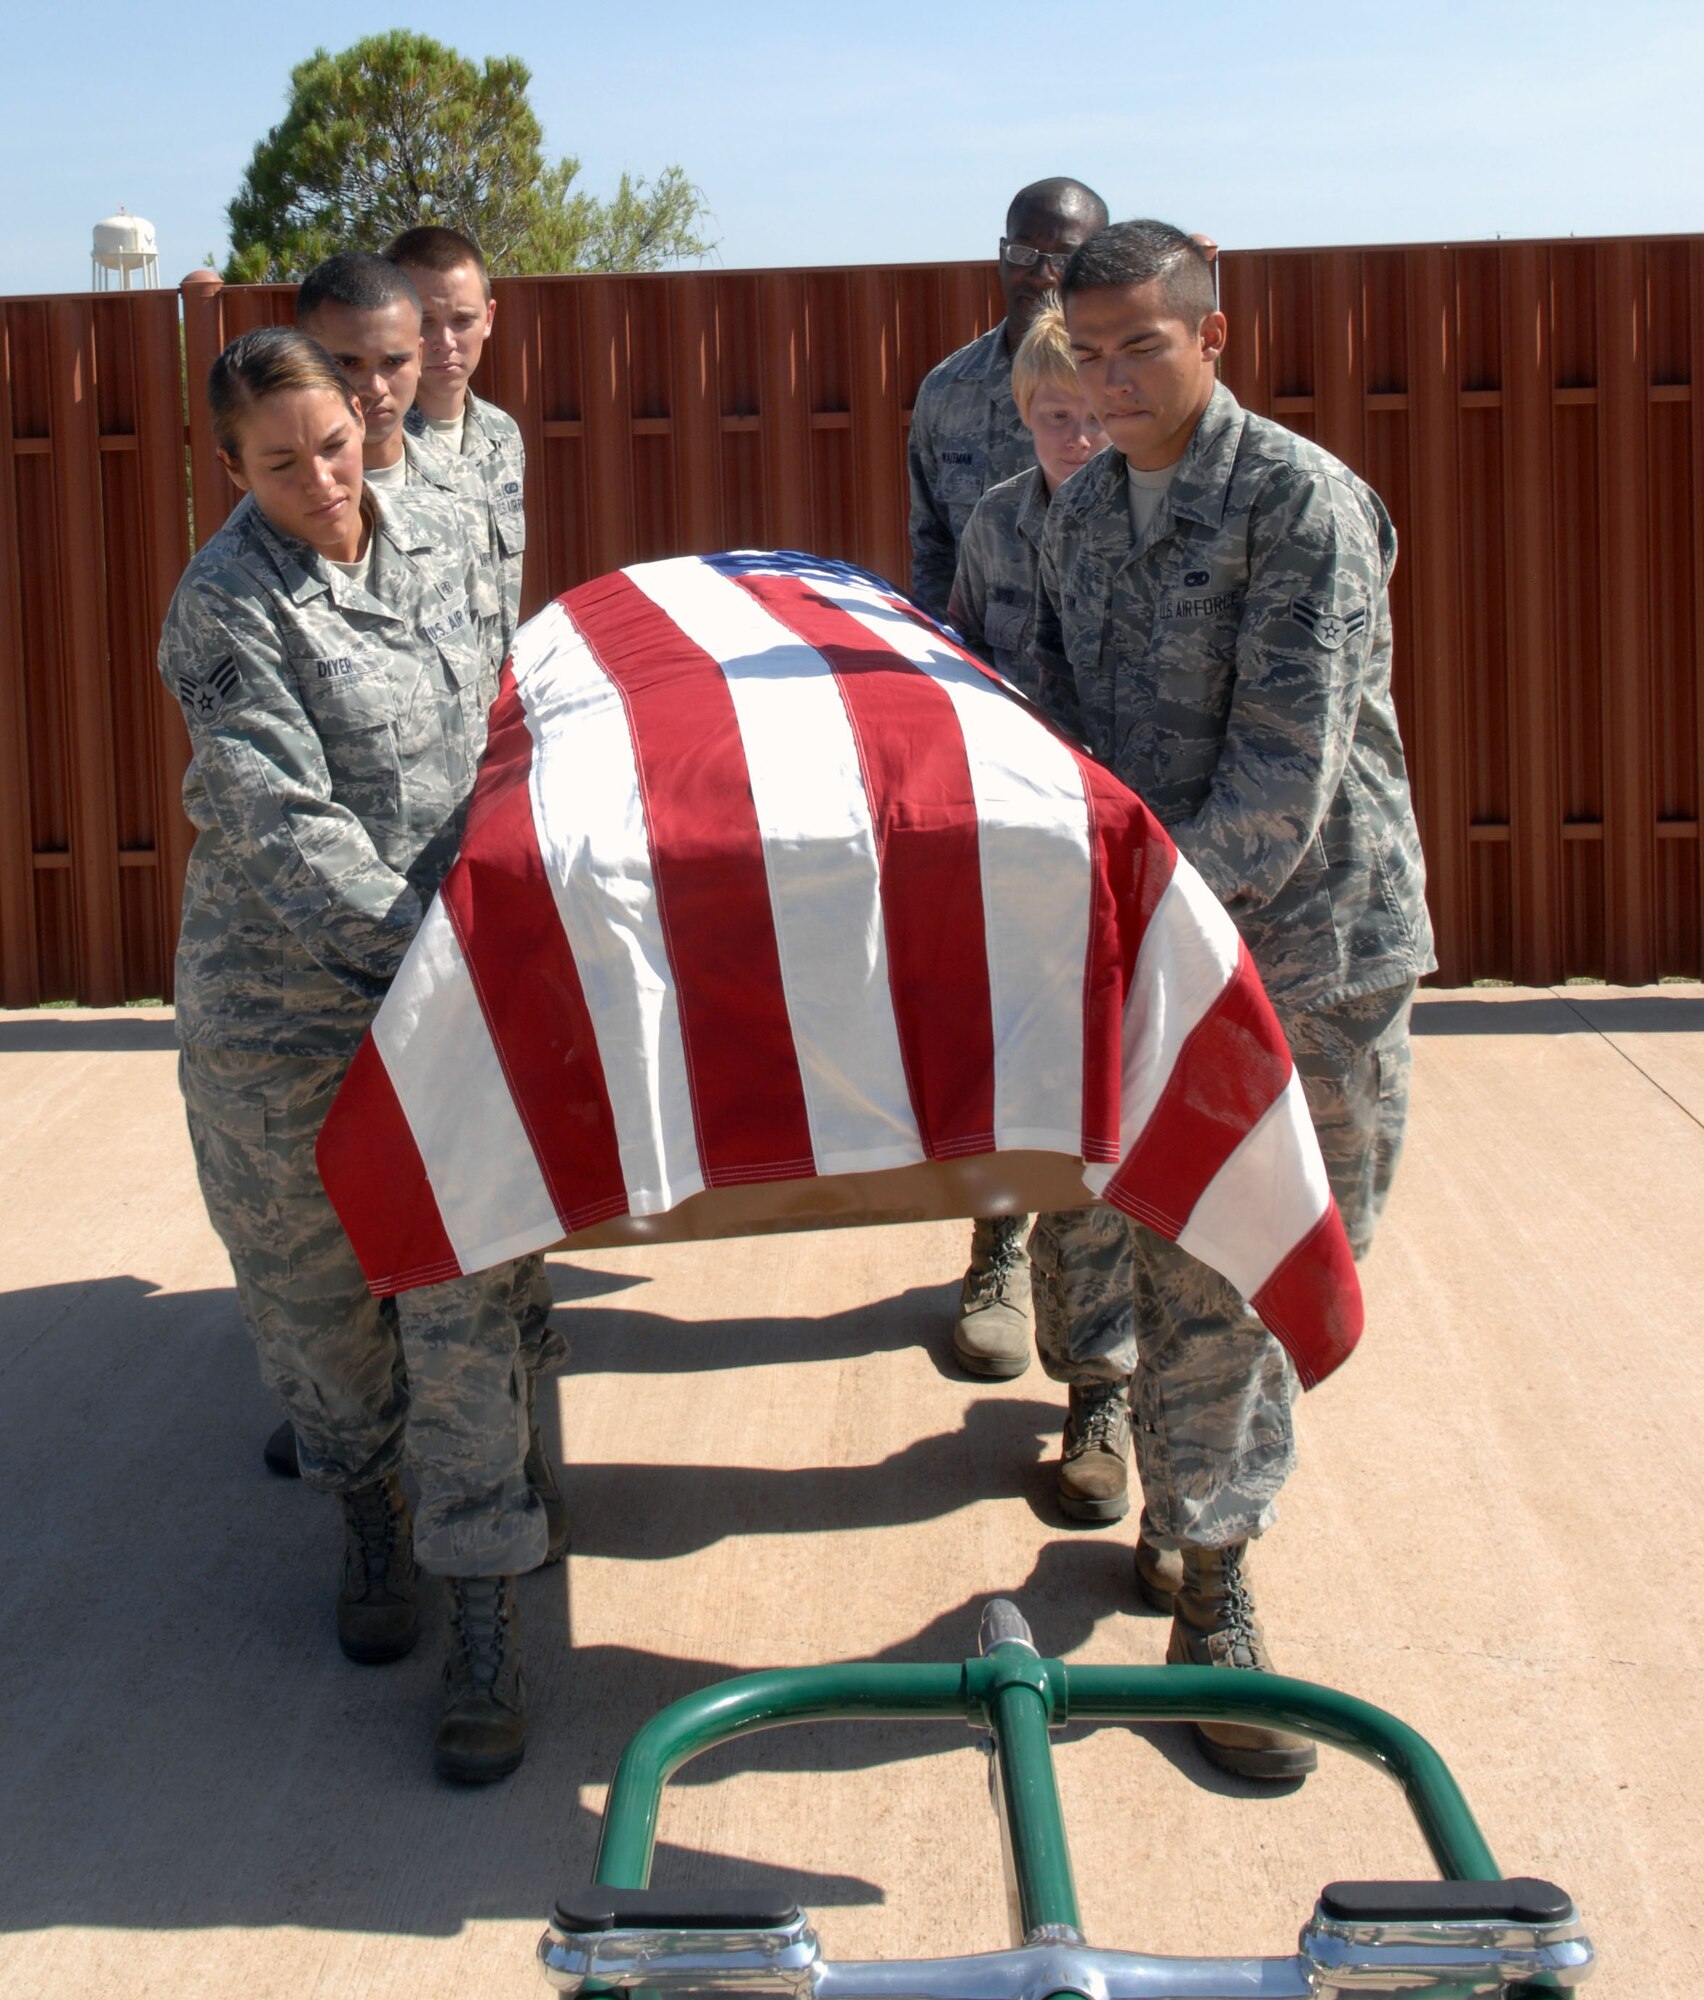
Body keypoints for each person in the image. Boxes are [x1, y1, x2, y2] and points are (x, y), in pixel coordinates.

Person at [1035, 220, 1435, 1783]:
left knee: (1284, 1261)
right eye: (1090, 349)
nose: (1116, 375)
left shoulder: (1298, 505)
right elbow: (1064, 748)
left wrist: (1126, 933)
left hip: (1313, 955)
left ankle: (1198, 1514)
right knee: (1197, 1264)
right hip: (1169, 958)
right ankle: (1214, 1580)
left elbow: (1280, 789)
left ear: (1218, 335)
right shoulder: (1079, 524)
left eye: (1146, 342)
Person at [159, 326, 546, 1785]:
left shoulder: (443, 529)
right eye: (280, 462)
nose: (324, 481)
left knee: (463, 1298)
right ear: (230, 467)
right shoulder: (223, 608)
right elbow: (285, 824)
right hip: (287, 1020)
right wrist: (433, 962)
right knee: (323, 1307)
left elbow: (506, 712)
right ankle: (366, 1506)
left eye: (333, 442)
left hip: (446, 994)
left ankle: (490, 1611)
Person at [252, 256, 569, 1550]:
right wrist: (425, 949)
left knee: (473, 1236)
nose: (401, 379)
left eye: (423, 345)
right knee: (328, 1248)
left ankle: (484, 1470)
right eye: (370, 360)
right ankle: (361, 1461)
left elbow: (487, 655)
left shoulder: (448, 489)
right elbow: (288, 812)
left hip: (444, 900)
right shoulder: (252, 574)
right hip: (323, 957)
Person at [945, 307, 1152, 1530]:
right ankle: (992, 1245)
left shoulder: (1155, 520)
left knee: (1113, 1140)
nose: (1077, 435)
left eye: (1094, 412)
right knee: (1014, 1092)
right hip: (1026, 868)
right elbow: (962, 670)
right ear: (1023, 417)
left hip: (1134, 868)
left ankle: (1101, 1390)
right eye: (1053, 416)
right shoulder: (995, 523)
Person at [910, 178, 1110, 1380]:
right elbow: (941, 576)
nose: (1039, 270)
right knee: (1009, 1019)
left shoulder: (1133, 378)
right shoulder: (946, 395)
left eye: (1064, 253)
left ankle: (1102, 1348)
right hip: (1008, 758)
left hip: (1122, 767)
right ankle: (996, 1241)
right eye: (1022, 252)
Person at [386, 226, 527, 649]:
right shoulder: (371, 446)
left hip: (491, 694)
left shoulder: (502, 436)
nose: (444, 342)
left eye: (462, 320)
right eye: (425, 321)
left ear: (489, 318)